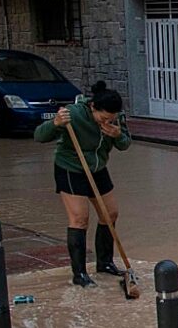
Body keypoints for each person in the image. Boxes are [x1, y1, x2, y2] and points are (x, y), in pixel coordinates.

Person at [33, 81, 132, 287]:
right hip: (71, 168)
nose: (107, 122)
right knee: (79, 218)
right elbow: (39, 136)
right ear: (93, 107)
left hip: (97, 168)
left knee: (110, 213)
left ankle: (105, 263)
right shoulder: (74, 114)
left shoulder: (117, 118)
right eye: (103, 118)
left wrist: (117, 134)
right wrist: (55, 123)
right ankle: (79, 274)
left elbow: (125, 144)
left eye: (111, 119)